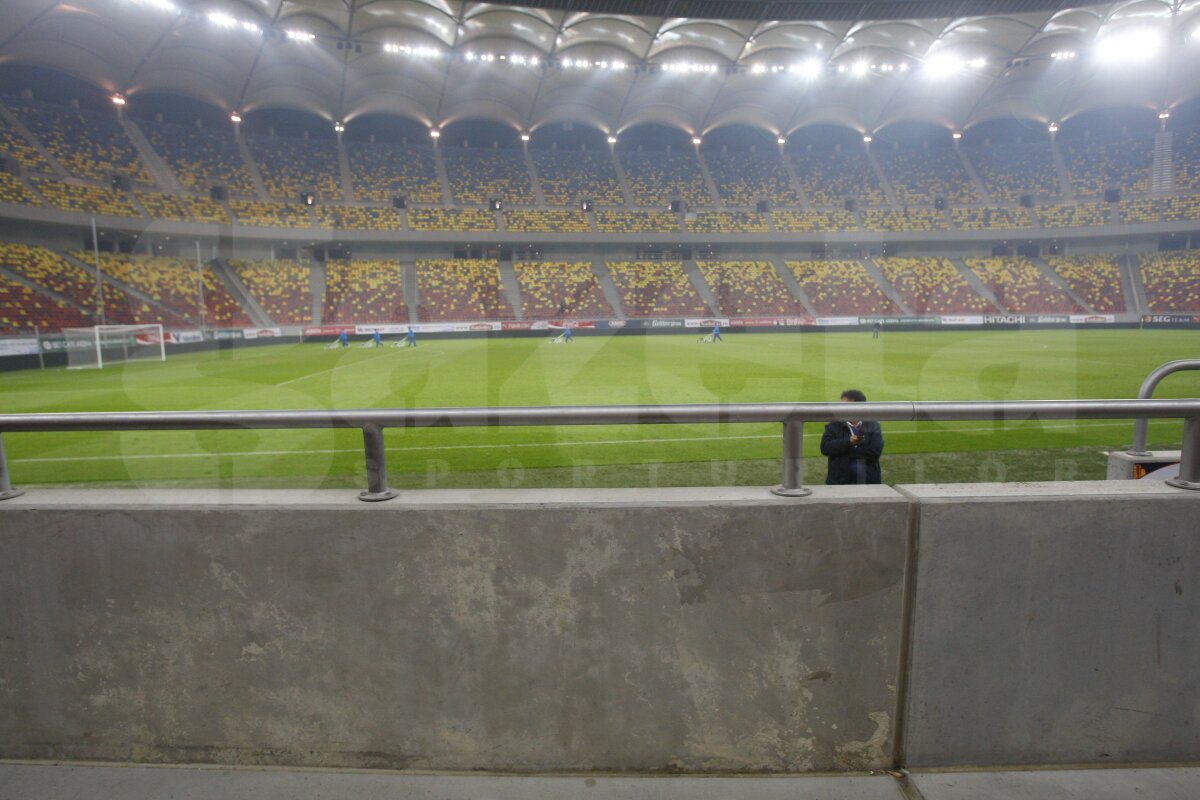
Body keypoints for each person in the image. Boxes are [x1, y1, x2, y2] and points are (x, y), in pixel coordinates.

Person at [820, 389, 884, 485]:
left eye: (846, 406)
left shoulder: (873, 425)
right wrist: (848, 442)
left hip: (868, 481)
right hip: (839, 482)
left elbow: (875, 452)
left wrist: (843, 453)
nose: (841, 409)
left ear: (860, 407)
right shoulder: (833, 425)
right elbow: (825, 448)